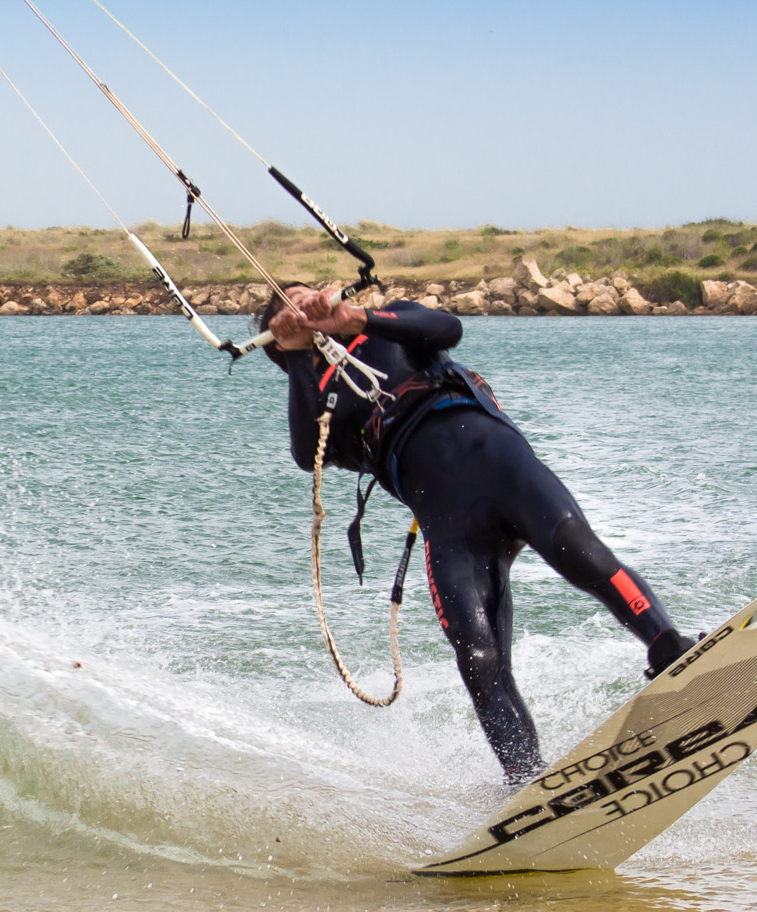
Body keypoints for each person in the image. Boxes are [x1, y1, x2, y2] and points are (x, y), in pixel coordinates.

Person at [260, 283, 696, 784]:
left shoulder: (387, 324)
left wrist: (358, 319)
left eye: (305, 294)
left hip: (501, 466)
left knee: (582, 553)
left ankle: (668, 647)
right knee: (478, 653)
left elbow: (449, 328)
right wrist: (296, 356)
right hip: (448, 524)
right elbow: (303, 453)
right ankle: (527, 780)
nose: (303, 305)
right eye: (288, 311)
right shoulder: (322, 396)